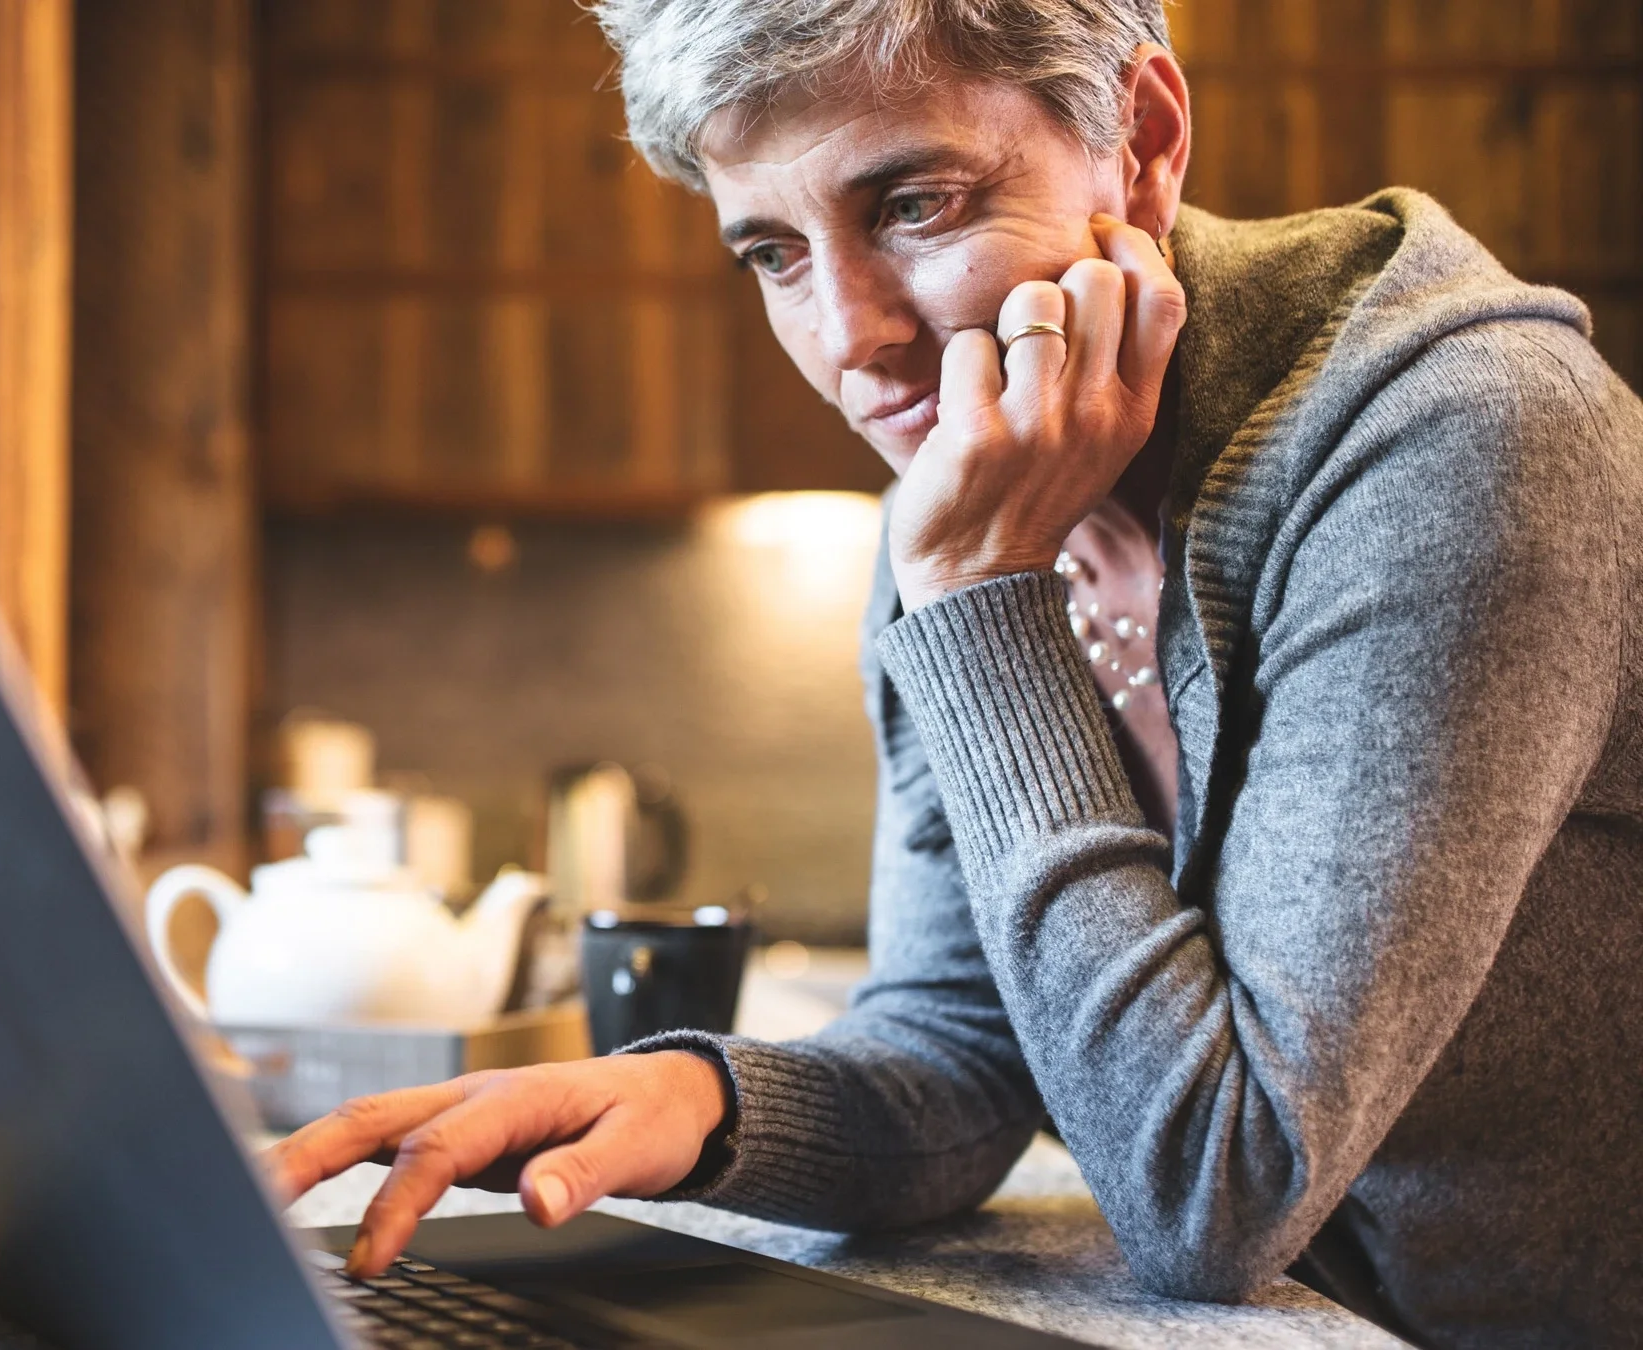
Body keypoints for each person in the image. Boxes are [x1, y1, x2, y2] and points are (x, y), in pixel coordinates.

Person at [263, 2, 1643, 1346]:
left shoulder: (1459, 442)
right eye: (771, 253)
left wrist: (981, 601)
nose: (851, 336)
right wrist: (699, 1101)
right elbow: (956, 1045)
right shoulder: (971, 475)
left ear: (1145, 140)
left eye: (914, 204)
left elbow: (1221, 1188)